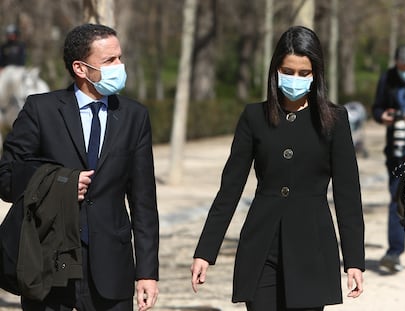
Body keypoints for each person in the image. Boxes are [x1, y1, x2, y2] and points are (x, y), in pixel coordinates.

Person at [191, 25, 365, 310]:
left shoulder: (335, 120)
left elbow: (348, 194)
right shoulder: (253, 117)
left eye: (304, 73)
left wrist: (354, 261)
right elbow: (230, 189)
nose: (294, 79)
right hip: (261, 247)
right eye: (288, 71)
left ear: (316, 75)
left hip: (312, 247)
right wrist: (205, 252)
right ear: (275, 70)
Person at [0, 23, 159, 311]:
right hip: (48, 264)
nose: (119, 66)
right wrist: (59, 184)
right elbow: (6, 179)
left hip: (112, 269)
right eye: (109, 60)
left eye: (120, 58)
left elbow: (144, 202)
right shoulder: (40, 110)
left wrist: (147, 273)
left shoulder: (135, 116)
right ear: (80, 68)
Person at [372, 44, 405, 273]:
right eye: (399, 67)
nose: (403, 71)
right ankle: (394, 252)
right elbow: (376, 108)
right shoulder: (387, 78)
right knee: (397, 200)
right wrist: (383, 116)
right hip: (397, 151)